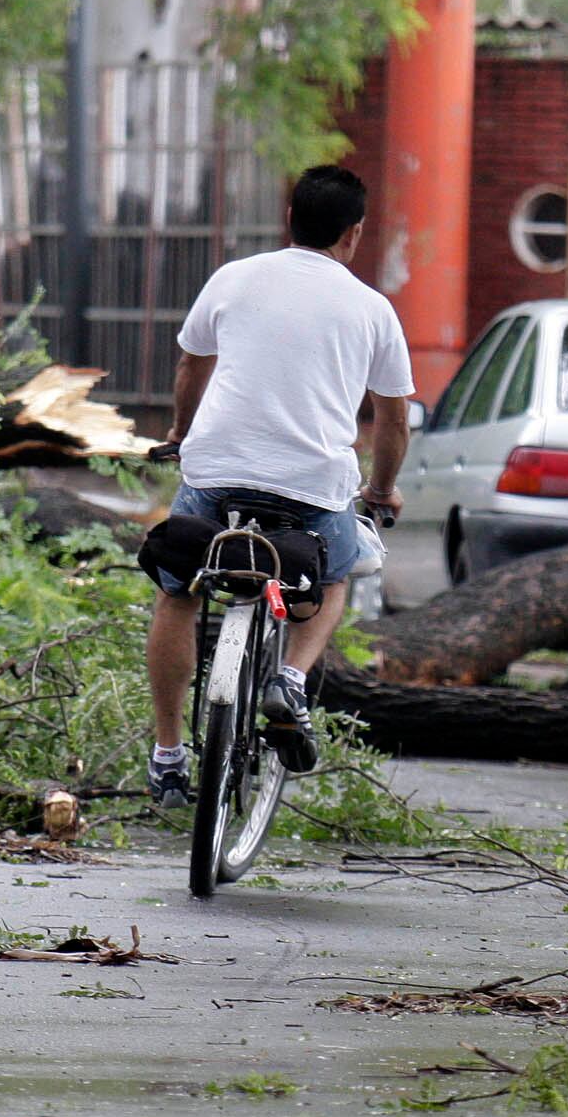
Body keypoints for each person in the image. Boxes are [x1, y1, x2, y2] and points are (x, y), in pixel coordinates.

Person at [144, 164, 413, 804]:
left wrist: (181, 435)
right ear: (355, 233)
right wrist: (380, 491)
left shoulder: (233, 279)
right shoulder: (373, 309)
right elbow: (393, 420)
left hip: (215, 474)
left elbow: (190, 366)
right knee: (336, 573)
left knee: (178, 589)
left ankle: (166, 752)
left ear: (289, 217)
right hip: (312, 485)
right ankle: (290, 678)